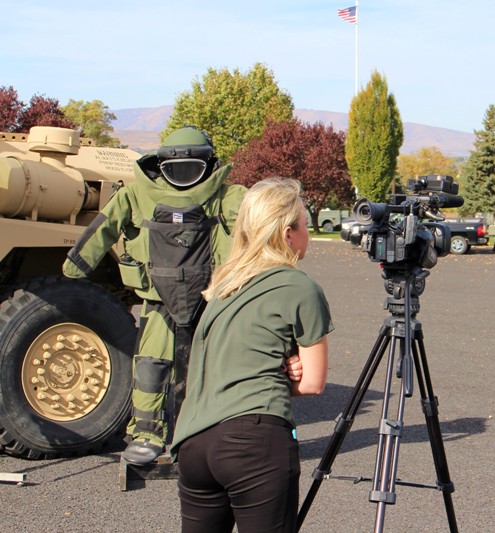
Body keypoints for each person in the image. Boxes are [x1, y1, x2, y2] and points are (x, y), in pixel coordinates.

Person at [62, 127, 247, 465]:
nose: (185, 174)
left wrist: (77, 265)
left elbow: (264, 222)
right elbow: (103, 227)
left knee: (204, 368)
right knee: (151, 367)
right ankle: (149, 434)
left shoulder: (228, 196)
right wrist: (77, 264)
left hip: (212, 298)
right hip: (163, 298)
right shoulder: (136, 195)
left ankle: (190, 436)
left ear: (208, 164)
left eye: (194, 166)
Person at [170, 178, 333, 533]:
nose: (309, 233)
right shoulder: (299, 287)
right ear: (287, 233)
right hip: (254, 442)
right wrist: (286, 376)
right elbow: (314, 383)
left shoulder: (222, 285)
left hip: (195, 442)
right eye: (306, 225)